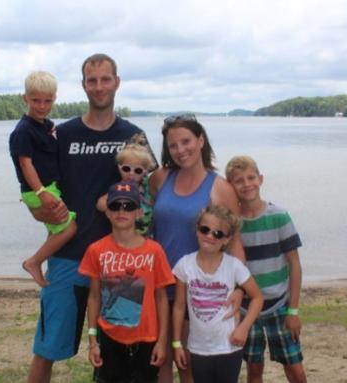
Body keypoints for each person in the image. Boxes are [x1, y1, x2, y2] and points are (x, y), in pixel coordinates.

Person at [26, 53, 153, 383]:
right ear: (83, 85)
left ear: (117, 83)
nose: (99, 87)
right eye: (92, 80)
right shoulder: (61, 135)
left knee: (119, 350)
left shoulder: (134, 135)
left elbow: (151, 192)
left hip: (120, 260)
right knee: (47, 347)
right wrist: (36, 209)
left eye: (105, 79)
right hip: (68, 257)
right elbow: (38, 186)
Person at [149, 114, 245, 383]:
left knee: (189, 365)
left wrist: (239, 289)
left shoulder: (221, 188)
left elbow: (235, 241)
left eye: (186, 141)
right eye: (173, 145)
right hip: (159, 285)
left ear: (201, 140)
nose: (181, 150)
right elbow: (142, 216)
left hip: (199, 290)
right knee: (161, 360)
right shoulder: (159, 178)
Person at [79, 181, 175, 382]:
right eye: (115, 205)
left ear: (138, 212)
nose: (121, 211)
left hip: (147, 339)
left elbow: (161, 298)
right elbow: (94, 297)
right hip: (109, 339)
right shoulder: (96, 250)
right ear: (107, 212)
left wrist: (162, 340)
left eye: (128, 206)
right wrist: (92, 340)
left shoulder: (154, 251)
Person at [225, 155, 307, 383]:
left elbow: (295, 265)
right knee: (254, 368)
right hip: (247, 309)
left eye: (251, 177)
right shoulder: (233, 223)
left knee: (295, 369)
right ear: (230, 186)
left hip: (280, 306)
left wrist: (293, 311)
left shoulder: (279, 216)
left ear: (260, 179)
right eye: (238, 180)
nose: (246, 184)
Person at [171, 204, 263, 383]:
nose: (209, 236)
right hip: (197, 348)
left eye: (218, 234)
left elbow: (257, 298)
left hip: (228, 347)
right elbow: (179, 306)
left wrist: (243, 329)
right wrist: (176, 344)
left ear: (227, 239)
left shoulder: (234, 265)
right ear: (197, 230)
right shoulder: (185, 265)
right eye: (205, 229)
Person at [9, 70, 77, 288]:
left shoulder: (47, 126)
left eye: (47, 101)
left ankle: (43, 263)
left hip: (50, 187)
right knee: (69, 229)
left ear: (54, 99)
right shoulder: (24, 131)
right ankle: (34, 262)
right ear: (25, 98)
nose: (41, 106)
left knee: (56, 229)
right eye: (36, 100)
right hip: (39, 190)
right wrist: (41, 192)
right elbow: (25, 163)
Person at [96, 142, 156, 235]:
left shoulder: (148, 186)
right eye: (126, 169)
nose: (131, 174)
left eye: (138, 170)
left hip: (147, 238)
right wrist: (117, 206)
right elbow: (100, 204)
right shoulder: (120, 188)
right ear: (119, 168)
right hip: (123, 237)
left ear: (145, 172)